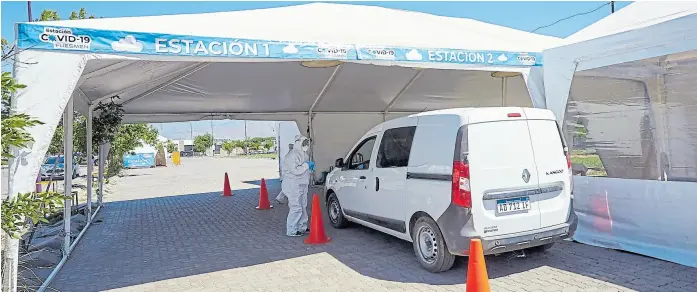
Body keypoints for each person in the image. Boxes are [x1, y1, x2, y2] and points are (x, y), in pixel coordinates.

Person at [281, 134, 314, 236]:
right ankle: (291, 230)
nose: (306, 145)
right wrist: (306, 165)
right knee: (296, 207)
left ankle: (302, 227)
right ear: (298, 142)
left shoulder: (305, 154)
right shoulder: (291, 155)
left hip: (302, 183)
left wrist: (311, 169)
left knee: (303, 206)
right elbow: (295, 171)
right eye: (304, 143)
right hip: (292, 184)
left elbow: (305, 170)